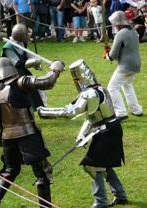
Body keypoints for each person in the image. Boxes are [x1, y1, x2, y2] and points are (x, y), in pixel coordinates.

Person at [38, 59, 128, 208]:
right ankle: (120, 194)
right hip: (110, 127)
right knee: (103, 163)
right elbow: (92, 116)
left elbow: (70, 112)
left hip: (106, 131)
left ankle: (101, 202)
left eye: (76, 78)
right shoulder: (101, 89)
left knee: (92, 165)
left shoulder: (90, 94)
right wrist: (82, 134)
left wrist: (45, 111)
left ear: (81, 77)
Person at [0, 57, 65, 208]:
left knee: (10, 170)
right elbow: (47, 82)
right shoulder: (20, 82)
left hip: (7, 138)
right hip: (28, 135)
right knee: (42, 173)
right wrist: (56, 69)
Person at [106, 11, 143, 120]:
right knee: (127, 85)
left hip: (126, 66)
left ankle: (121, 112)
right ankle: (136, 110)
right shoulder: (132, 31)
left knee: (112, 88)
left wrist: (107, 56)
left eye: (114, 24)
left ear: (119, 23)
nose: (113, 26)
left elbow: (113, 55)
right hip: (135, 64)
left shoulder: (121, 33)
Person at [1, 23, 47, 108]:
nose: (27, 35)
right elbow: (17, 63)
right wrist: (32, 62)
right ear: (21, 35)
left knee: (37, 87)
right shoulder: (9, 47)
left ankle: (41, 108)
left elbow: (28, 54)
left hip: (23, 73)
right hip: (12, 76)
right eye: (26, 34)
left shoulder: (22, 44)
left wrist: (36, 61)